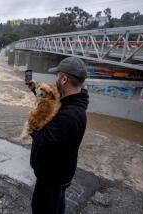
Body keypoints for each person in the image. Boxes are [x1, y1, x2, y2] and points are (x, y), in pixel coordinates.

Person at [28, 57, 89, 214]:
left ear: (63, 79)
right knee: (56, 206)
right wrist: (35, 90)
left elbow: (42, 139)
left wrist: (34, 121)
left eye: (57, 76)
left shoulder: (70, 115)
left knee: (43, 209)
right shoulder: (71, 102)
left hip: (52, 177)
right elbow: (53, 101)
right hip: (59, 173)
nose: (55, 80)